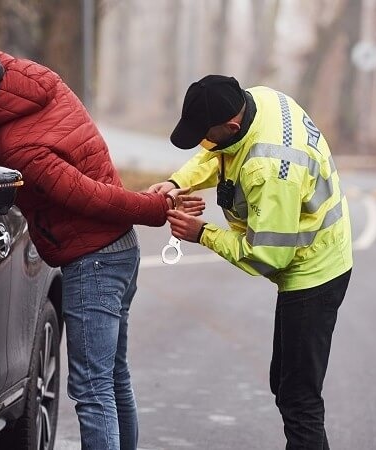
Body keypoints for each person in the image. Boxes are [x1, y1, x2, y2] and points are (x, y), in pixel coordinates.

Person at [0, 3, 204, 449]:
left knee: (93, 391)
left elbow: (89, 196)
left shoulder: (18, 147)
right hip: (119, 252)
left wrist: (155, 208)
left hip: (93, 262)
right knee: (113, 377)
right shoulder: (35, 78)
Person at [149, 75, 353, 449]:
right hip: (315, 256)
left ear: (231, 124)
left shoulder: (271, 168)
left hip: (314, 271)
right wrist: (179, 181)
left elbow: (268, 257)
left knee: (299, 397)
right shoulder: (259, 100)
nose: (204, 143)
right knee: (287, 383)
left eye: (205, 135)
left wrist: (201, 233)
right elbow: (222, 153)